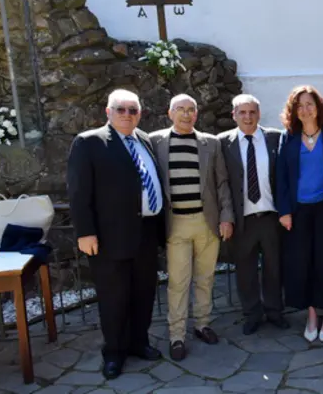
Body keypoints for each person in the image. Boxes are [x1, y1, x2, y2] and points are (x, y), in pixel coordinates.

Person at [66, 89, 165, 379]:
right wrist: (85, 232)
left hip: (146, 233)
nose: (127, 114)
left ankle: (138, 342)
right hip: (110, 236)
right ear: (108, 112)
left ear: (140, 114)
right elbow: (78, 191)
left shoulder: (144, 139)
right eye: (120, 109)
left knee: (144, 293)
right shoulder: (89, 142)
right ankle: (114, 352)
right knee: (114, 297)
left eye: (132, 110)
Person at [148, 94, 234, 361]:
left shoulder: (211, 143)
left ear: (196, 114)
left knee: (206, 278)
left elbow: (221, 183)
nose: (186, 115)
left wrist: (226, 216)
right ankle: (176, 335)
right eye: (180, 110)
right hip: (176, 225)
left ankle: (202, 324)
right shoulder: (155, 142)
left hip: (206, 222)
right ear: (170, 112)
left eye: (191, 110)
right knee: (178, 282)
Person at [277, 85, 323, 343]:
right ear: (293, 111)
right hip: (298, 212)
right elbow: (282, 178)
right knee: (303, 263)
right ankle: (311, 314)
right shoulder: (288, 137)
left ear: (318, 107)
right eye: (299, 106)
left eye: (309, 104)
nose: (305, 109)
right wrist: (284, 211)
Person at [218, 94, 289, 334]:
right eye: (242, 113)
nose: (247, 117)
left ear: (259, 114)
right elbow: (222, 182)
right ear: (234, 115)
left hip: (270, 216)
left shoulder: (275, 138)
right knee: (245, 270)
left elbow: (286, 177)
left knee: (274, 267)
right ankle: (251, 314)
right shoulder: (223, 143)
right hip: (242, 220)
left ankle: (274, 311)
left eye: (252, 112)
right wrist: (225, 217)